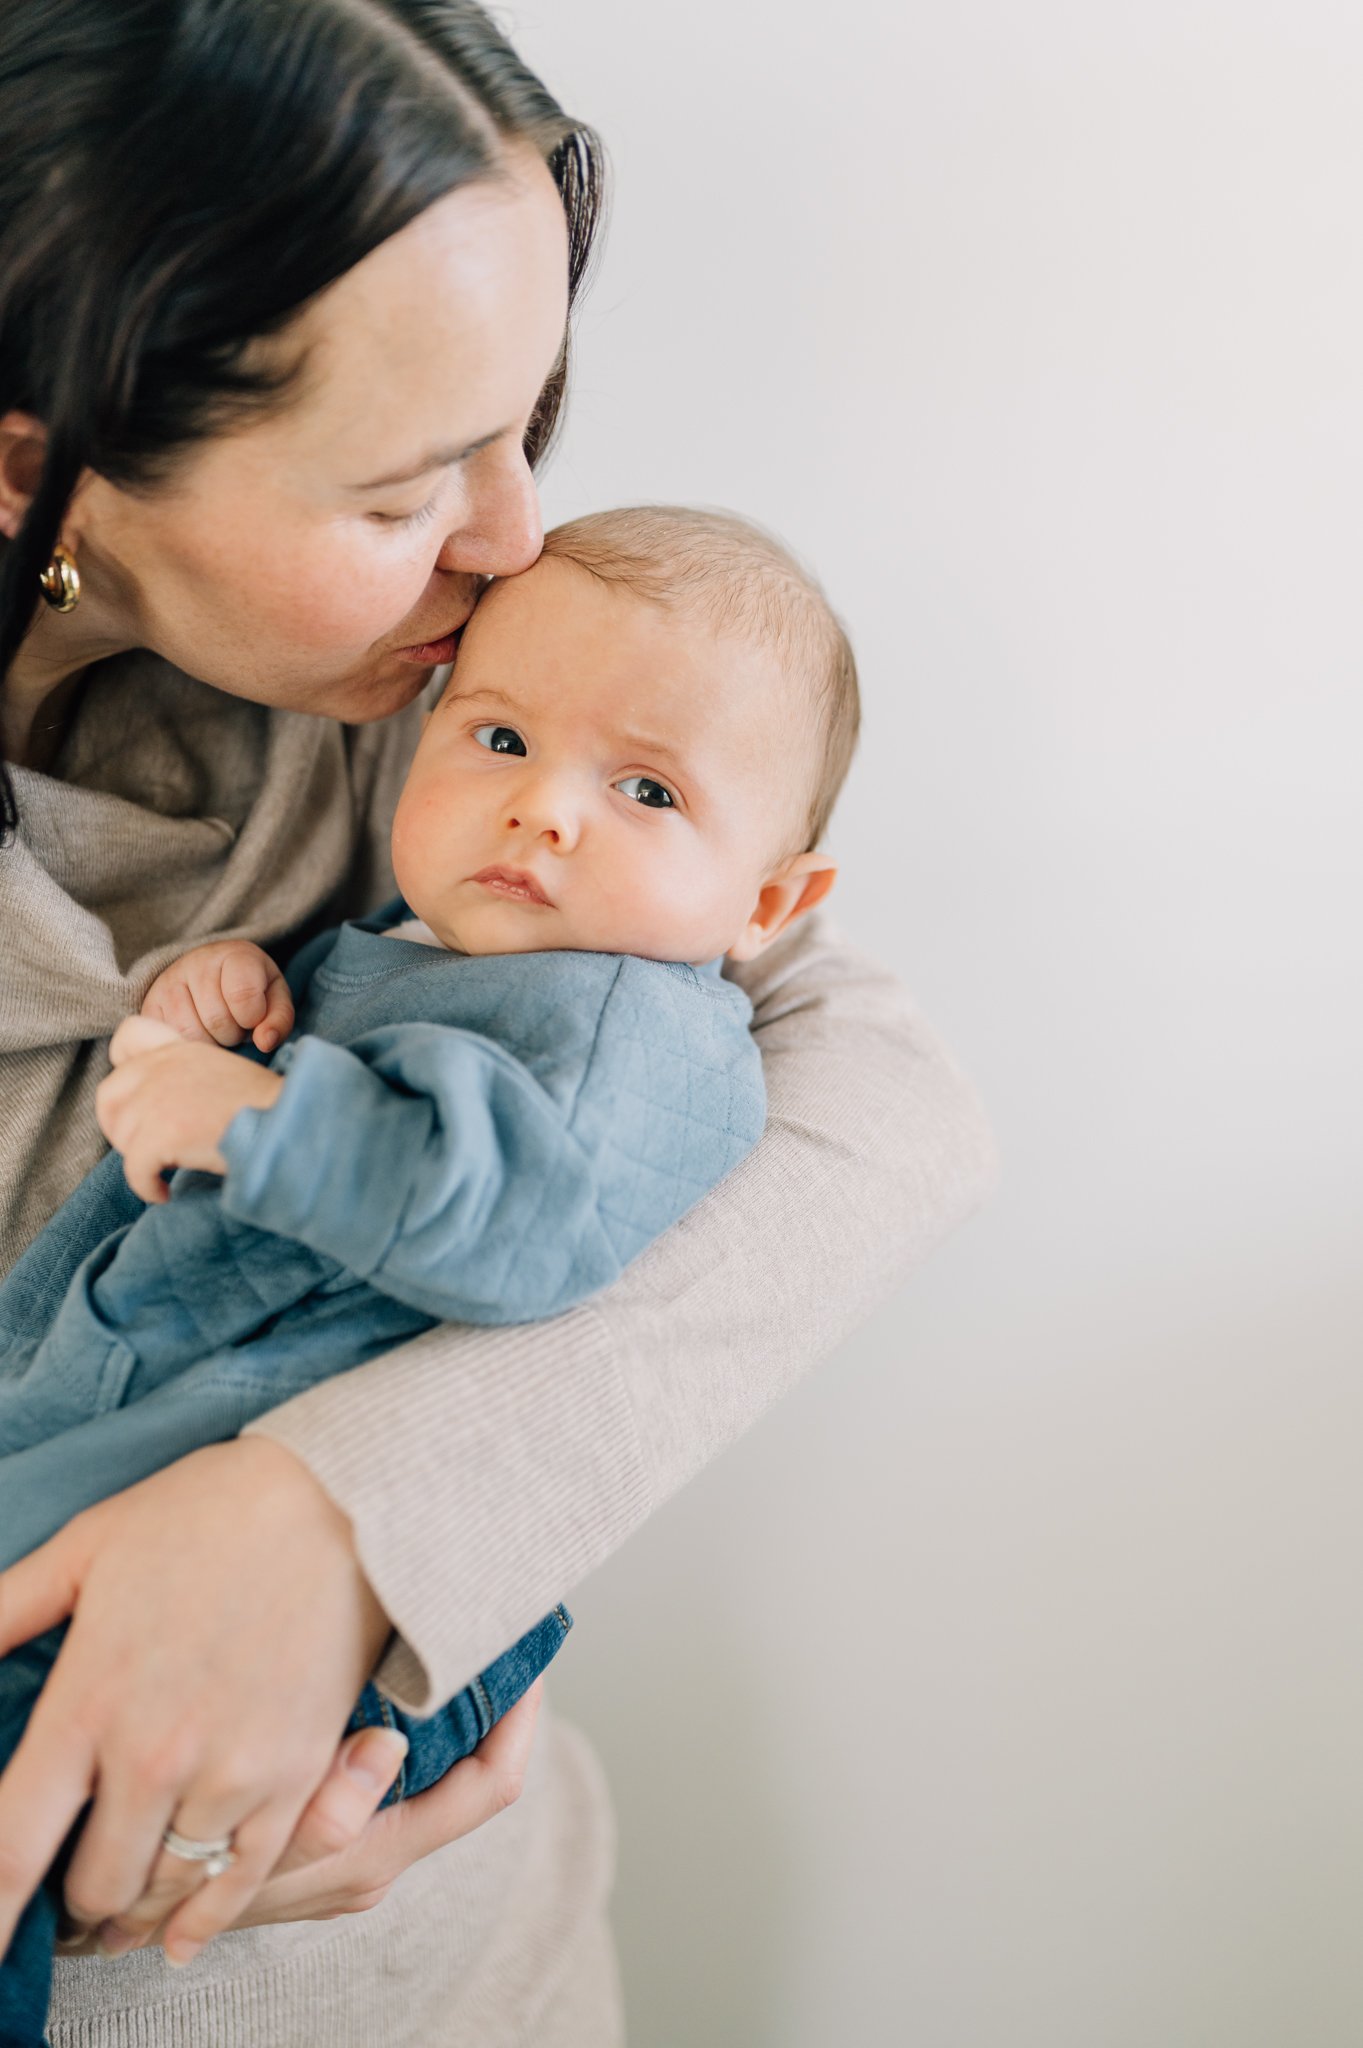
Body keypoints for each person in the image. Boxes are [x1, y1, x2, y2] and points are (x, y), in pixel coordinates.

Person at [0, 4, 998, 2044]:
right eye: (401, 484)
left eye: (526, 416)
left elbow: (883, 1101)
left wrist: (346, 1519)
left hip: (449, 1977)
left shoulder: (450, 698)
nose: (511, 539)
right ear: (39, 474)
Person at [0, 500, 852, 2034]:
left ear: (770, 905)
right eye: (500, 742)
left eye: (645, 787)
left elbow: (512, 1218)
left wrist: (259, 1117)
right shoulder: (452, 943)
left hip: (330, 1651)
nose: (544, 813)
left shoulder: (628, 1019)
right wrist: (247, 998)